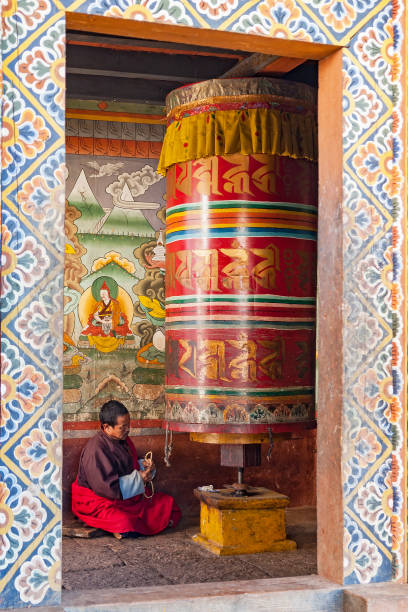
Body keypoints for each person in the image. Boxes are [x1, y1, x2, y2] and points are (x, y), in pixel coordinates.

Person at [72, 400, 181, 538]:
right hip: (99, 500)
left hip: (126, 497)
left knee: (167, 502)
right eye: (123, 427)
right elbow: (107, 488)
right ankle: (119, 527)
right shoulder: (96, 450)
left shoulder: (122, 439)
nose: (128, 430)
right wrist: (140, 478)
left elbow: (128, 465)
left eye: (128, 425)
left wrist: (144, 467)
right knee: (124, 521)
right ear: (107, 427)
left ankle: (123, 528)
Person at [82, 281, 132, 352]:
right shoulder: (99, 304)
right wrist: (102, 321)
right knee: (93, 322)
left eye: (104, 293)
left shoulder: (114, 303)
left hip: (113, 319)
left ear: (108, 293)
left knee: (122, 322)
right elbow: (95, 315)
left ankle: (113, 331)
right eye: (101, 294)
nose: (102, 295)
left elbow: (117, 314)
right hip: (101, 320)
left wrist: (112, 320)